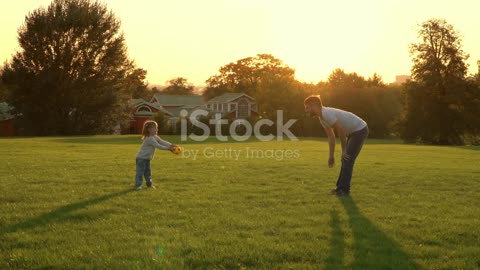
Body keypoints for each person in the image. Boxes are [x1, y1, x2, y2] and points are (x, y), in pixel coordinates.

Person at [304, 95, 368, 196]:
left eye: (307, 107)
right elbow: (331, 137)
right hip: (352, 132)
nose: (306, 110)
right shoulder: (322, 118)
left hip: (360, 130)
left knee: (347, 159)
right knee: (345, 160)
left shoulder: (326, 113)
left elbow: (341, 131)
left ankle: (344, 190)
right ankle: (340, 188)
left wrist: (344, 150)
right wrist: (331, 156)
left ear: (314, 106)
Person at [135, 120, 176, 190]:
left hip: (147, 159)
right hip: (141, 159)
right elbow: (158, 146)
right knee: (140, 173)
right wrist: (169, 149)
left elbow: (162, 141)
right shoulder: (149, 139)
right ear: (149, 130)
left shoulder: (155, 137)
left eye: (157, 128)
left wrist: (171, 145)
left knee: (148, 173)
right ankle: (138, 186)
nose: (157, 129)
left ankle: (149, 185)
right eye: (155, 128)